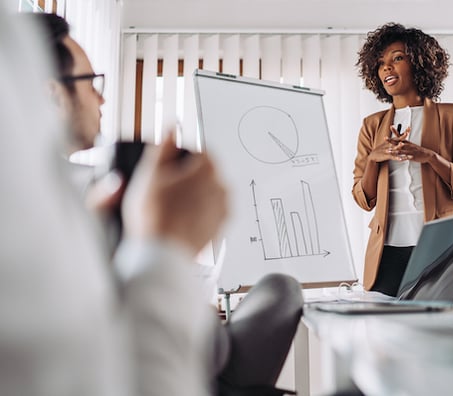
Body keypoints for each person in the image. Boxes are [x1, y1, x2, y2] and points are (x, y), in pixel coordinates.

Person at [14, 11, 303, 396]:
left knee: (279, 289)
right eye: (90, 83)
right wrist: (165, 250)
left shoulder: (70, 200)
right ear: (54, 95)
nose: (100, 97)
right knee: (279, 292)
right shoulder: (32, 221)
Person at [352, 22, 453, 297]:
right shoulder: (371, 125)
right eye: (380, 64)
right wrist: (374, 160)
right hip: (386, 254)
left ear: (420, 63)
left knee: (444, 334)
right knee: (385, 336)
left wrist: (431, 158)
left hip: (441, 248)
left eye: (397, 58)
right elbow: (363, 198)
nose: (387, 68)